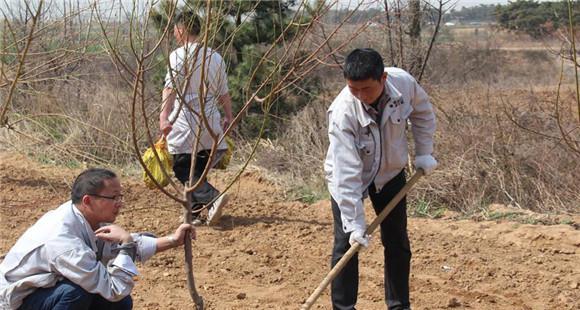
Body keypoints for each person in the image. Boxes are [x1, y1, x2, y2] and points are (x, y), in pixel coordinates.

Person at [324, 48, 437, 310]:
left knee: (397, 240)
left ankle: (399, 305)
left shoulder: (404, 84)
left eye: (366, 88)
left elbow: (423, 113)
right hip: (350, 179)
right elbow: (346, 173)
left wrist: (424, 152)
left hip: (390, 174)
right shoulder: (342, 113)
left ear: (383, 78)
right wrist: (354, 223)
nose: (361, 96)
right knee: (346, 245)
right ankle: (344, 308)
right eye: (354, 89)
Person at [0, 168, 195, 310]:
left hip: (46, 288)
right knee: (75, 294)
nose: (120, 204)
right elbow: (114, 288)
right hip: (17, 300)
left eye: (120, 196)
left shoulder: (86, 217)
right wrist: (126, 245)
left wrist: (173, 240)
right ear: (88, 201)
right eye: (113, 198)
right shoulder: (62, 239)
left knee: (118, 302)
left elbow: (115, 245)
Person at [159, 10, 233, 226]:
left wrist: (163, 117)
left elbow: (169, 89)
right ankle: (194, 213)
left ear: (181, 29)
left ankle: (213, 198)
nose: (173, 33)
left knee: (182, 167)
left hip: (185, 118)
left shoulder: (177, 55)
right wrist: (228, 116)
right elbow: (224, 93)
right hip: (210, 118)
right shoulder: (216, 56)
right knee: (198, 168)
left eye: (174, 29)